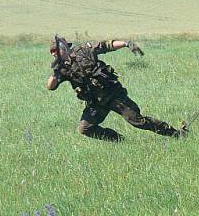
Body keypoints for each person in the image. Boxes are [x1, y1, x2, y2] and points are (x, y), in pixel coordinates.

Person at [47, 36, 185, 141]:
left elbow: (107, 45)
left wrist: (127, 44)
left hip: (114, 95)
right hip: (96, 103)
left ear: (64, 47)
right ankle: (119, 141)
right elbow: (50, 87)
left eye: (56, 50)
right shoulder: (61, 69)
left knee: (138, 121)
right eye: (52, 52)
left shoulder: (84, 50)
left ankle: (175, 134)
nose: (54, 54)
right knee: (85, 129)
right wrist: (56, 73)